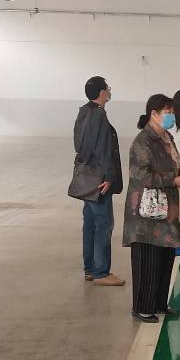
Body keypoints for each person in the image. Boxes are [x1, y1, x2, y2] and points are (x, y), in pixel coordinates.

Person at [123, 94, 180, 323]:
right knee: (147, 259)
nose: (171, 116)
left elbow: (174, 162)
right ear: (153, 114)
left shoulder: (166, 137)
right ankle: (143, 307)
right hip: (147, 214)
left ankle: (160, 302)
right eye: (167, 112)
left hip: (166, 210)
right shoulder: (143, 141)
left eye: (172, 112)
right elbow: (141, 175)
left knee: (164, 257)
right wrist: (172, 179)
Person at [74, 76, 125, 287]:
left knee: (90, 223)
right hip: (99, 179)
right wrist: (109, 176)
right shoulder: (99, 115)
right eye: (108, 88)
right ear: (102, 92)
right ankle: (101, 272)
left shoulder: (83, 112)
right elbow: (103, 149)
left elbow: (80, 145)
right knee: (103, 223)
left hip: (86, 177)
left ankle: (90, 268)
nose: (109, 91)